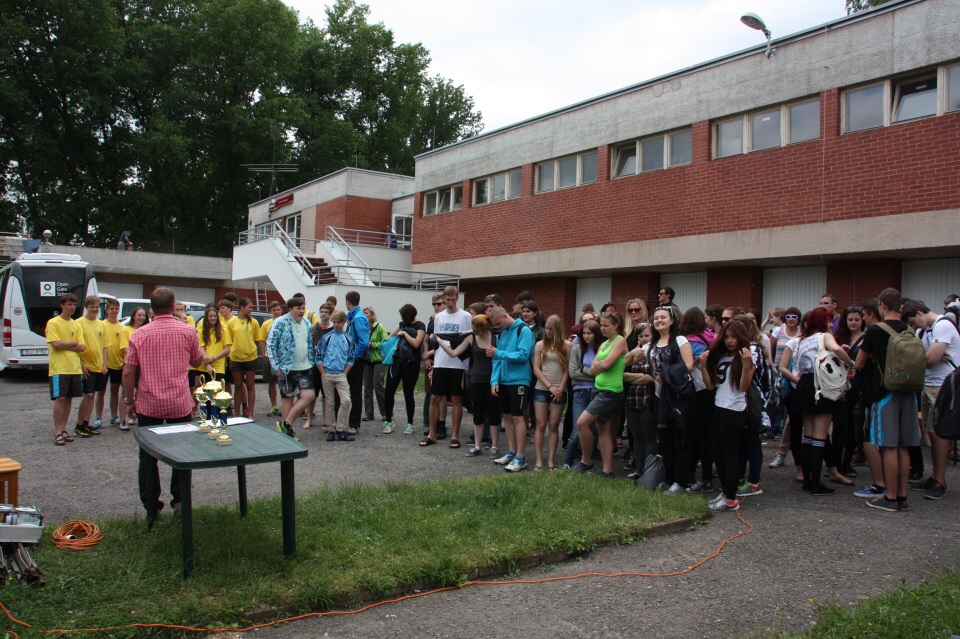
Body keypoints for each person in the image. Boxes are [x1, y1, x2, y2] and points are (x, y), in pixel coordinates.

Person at [122, 288, 205, 525]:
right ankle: (180, 501)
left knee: (148, 457)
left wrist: (129, 400)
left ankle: (152, 508)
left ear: (151, 308)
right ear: (172, 306)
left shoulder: (139, 334)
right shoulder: (187, 331)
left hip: (149, 403)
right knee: (182, 453)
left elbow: (128, 372)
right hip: (179, 402)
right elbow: (197, 360)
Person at [856, 288, 920, 512]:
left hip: (884, 393)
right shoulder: (910, 330)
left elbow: (859, 362)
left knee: (888, 446)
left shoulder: (875, 331)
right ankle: (902, 495)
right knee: (903, 446)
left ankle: (890, 496)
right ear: (900, 306)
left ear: (882, 305)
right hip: (908, 392)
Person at [902, 299, 960, 500]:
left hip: (942, 386)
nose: (914, 326)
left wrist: (924, 356)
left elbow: (932, 360)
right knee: (931, 434)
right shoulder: (924, 331)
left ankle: (940, 480)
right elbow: (924, 357)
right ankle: (935, 475)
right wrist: (926, 355)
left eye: (913, 321)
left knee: (939, 434)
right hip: (928, 384)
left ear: (920, 313)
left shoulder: (942, 326)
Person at [795, 307, 855, 496]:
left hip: (804, 385)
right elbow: (836, 349)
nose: (831, 324)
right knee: (820, 437)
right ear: (822, 322)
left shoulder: (803, 340)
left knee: (808, 436)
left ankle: (807, 481)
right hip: (820, 385)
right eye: (828, 321)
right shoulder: (824, 336)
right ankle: (816, 484)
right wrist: (851, 364)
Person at [700, 319, 757, 512]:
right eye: (727, 337)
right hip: (719, 406)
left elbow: (743, 387)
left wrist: (746, 365)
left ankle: (731, 498)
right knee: (717, 453)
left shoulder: (746, 358)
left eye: (734, 337)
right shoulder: (722, 357)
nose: (730, 341)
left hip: (734, 410)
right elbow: (710, 386)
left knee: (729, 454)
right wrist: (703, 366)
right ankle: (726, 492)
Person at [646, 305, 695, 493]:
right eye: (656, 318)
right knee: (665, 439)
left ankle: (681, 481)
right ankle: (668, 478)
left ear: (672, 320)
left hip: (678, 397)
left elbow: (689, 365)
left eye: (663, 317)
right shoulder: (652, 343)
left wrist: (666, 377)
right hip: (660, 397)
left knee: (680, 438)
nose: (659, 320)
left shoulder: (680, 340)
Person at [574, 311, 627, 477]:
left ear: (616, 326)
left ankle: (586, 462)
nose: (602, 328)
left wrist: (599, 365)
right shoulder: (604, 343)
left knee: (582, 423)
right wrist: (599, 365)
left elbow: (605, 365)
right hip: (598, 389)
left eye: (606, 325)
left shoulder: (620, 341)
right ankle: (607, 470)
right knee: (603, 429)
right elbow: (594, 367)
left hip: (610, 391)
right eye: (601, 325)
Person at [422, 285, 471, 448]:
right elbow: (436, 341)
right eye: (447, 300)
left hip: (457, 363)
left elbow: (467, 340)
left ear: (457, 299)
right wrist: (434, 364)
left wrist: (462, 359)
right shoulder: (438, 317)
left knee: (456, 398)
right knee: (435, 397)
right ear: (444, 299)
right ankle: (432, 434)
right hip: (441, 362)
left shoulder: (465, 316)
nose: (450, 303)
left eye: (453, 300)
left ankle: (455, 435)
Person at [488, 306, 536, 471]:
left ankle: (521, 458)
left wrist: (499, 353)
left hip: (519, 380)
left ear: (504, 316)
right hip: (504, 380)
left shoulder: (524, 331)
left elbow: (523, 355)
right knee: (507, 417)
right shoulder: (502, 333)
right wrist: (494, 380)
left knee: (518, 417)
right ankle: (512, 452)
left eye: (498, 323)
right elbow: (496, 359)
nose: (497, 327)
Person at [265, 297, 314, 441]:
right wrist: (275, 366)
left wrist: (312, 360)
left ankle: (285, 424)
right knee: (288, 398)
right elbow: (271, 345)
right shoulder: (280, 322)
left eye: (303, 308)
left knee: (309, 395)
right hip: (286, 368)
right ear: (290, 309)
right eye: (298, 308)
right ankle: (288, 432)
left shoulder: (307, 323)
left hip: (305, 366)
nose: (301, 311)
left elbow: (310, 343)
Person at [531, 315, 571, 471]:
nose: (548, 332)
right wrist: (550, 386)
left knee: (553, 425)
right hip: (542, 388)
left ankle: (551, 461)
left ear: (558, 330)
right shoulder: (540, 345)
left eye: (551, 329)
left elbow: (567, 370)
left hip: (559, 389)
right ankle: (538, 461)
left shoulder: (567, 345)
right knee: (540, 424)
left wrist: (560, 388)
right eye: (546, 328)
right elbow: (536, 368)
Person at [46, 293, 85, 446]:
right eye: (69, 304)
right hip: (59, 368)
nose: (72, 307)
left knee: (69, 398)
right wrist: (73, 343)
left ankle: (63, 429)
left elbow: (82, 347)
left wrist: (66, 344)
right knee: (60, 398)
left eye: (74, 304)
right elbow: (55, 344)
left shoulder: (76, 325)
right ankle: (57, 431)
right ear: (62, 305)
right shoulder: (53, 323)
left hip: (74, 368)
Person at [565, 319, 601, 469]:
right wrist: (593, 373)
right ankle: (568, 462)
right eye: (584, 333)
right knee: (577, 429)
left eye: (589, 333)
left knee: (594, 430)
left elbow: (603, 373)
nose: (586, 336)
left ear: (596, 334)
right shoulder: (576, 349)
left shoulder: (602, 348)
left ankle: (587, 461)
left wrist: (585, 371)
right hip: (580, 392)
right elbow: (573, 373)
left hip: (596, 392)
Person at [384, 304, 426, 436]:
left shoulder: (420, 326)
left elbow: (416, 343)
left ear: (410, 315)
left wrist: (404, 333)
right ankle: (388, 420)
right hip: (397, 362)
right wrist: (387, 342)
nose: (402, 318)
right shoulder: (401, 324)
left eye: (403, 316)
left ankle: (410, 423)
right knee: (389, 390)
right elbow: (390, 337)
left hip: (411, 363)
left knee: (408, 393)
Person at [622, 322, 656, 479]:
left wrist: (634, 378)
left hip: (647, 398)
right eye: (641, 336)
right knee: (636, 437)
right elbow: (621, 374)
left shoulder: (654, 353)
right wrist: (640, 377)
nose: (644, 339)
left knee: (649, 437)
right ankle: (639, 470)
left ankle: (649, 472)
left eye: (647, 335)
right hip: (632, 398)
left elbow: (650, 378)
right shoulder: (634, 355)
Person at [317, 310, 356, 442]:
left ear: (344, 322)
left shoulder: (348, 339)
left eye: (339, 322)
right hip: (327, 373)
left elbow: (351, 357)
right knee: (330, 402)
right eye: (334, 322)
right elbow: (319, 356)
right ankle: (331, 429)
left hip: (340, 374)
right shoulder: (326, 338)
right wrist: (323, 372)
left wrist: (345, 373)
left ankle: (340, 429)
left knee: (346, 400)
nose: (336, 325)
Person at [76, 295, 108, 436]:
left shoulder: (102, 324)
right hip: (87, 366)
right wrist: (81, 364)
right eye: (91, 307)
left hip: (99, 366)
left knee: (93, 395)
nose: (94, 309)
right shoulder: (79, 323)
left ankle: (86, 423)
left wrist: (105, 365)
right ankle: (79, 425)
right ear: (86, 307)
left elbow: (105, 346)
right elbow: (76, 346)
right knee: (88, 395)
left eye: (96, 307)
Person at [228, 298, 259, 418]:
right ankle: (236, 414)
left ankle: (250, 413)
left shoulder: (254, 322)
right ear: (241, 307)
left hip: (250, 357)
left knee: (250, 385)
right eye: (249, 307)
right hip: (235, 358)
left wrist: (249, 348)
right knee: (238, 386)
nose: (251, 309)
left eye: (252, 307)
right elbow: (230, 340)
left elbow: (256, 340)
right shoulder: (232, 322)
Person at [344, 291, 370, 435]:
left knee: (355, 391)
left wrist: (354, 358)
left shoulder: (358, 318)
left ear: (347, 302)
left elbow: (364, 342)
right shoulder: (353, 317)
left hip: (356, 360)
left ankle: (354, 424)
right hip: (351, 358)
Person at [102, 298, 130, 430]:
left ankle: (114, 415)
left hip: (118, 364)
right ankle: (98, 417)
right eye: (112, 308)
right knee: (100, 392)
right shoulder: (102, 325)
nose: (114, 311)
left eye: (116, 309)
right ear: (107, 310)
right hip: (103, 364)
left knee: (115, 390)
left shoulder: (122, 327)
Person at [307, 304, 334, 430]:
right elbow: (309, 345)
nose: (323, 314)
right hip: (314, 365)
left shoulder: (333, 329)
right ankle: (309, 419)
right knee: (312, 394)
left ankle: (325, 418)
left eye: (326, 312)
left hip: (327, 366)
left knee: (326, 394)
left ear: (330, 314)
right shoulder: (314, 328)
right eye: (321, 311)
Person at [362, 306, 388, 424]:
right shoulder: (362, 328)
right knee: (367, 387)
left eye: (367, 313)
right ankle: (369, 413)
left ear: (372, 315)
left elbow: (385, 342)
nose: (365, 315)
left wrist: (372, 344)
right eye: (363, 313)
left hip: (378, 359)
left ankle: (385, 412)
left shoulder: (379, 327)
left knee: (378, 384)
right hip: (366, 360)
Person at [259, 301, 284, 417]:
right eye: (274, 310)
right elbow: (262, 340)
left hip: (282, 358)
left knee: (283, 383)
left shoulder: (286, 322)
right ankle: (274, 406)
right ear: (270, 311)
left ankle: (284, 406)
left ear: (281, 310)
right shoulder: (266, 324)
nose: (276, 312)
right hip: (269, 357)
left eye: (278, 310)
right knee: (271, 382)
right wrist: (265, 355)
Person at [198, 306, 232, 383]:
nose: (213, 318)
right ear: (206, 318)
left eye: (215, 316)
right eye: (210, 316)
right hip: (204, 366)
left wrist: (213, 358)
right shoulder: (201, 331)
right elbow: (201, 348)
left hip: (218, 366)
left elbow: (227, 349)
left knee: (217, 388)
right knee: (204, 389)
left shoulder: (223, 331)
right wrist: (207, 364)